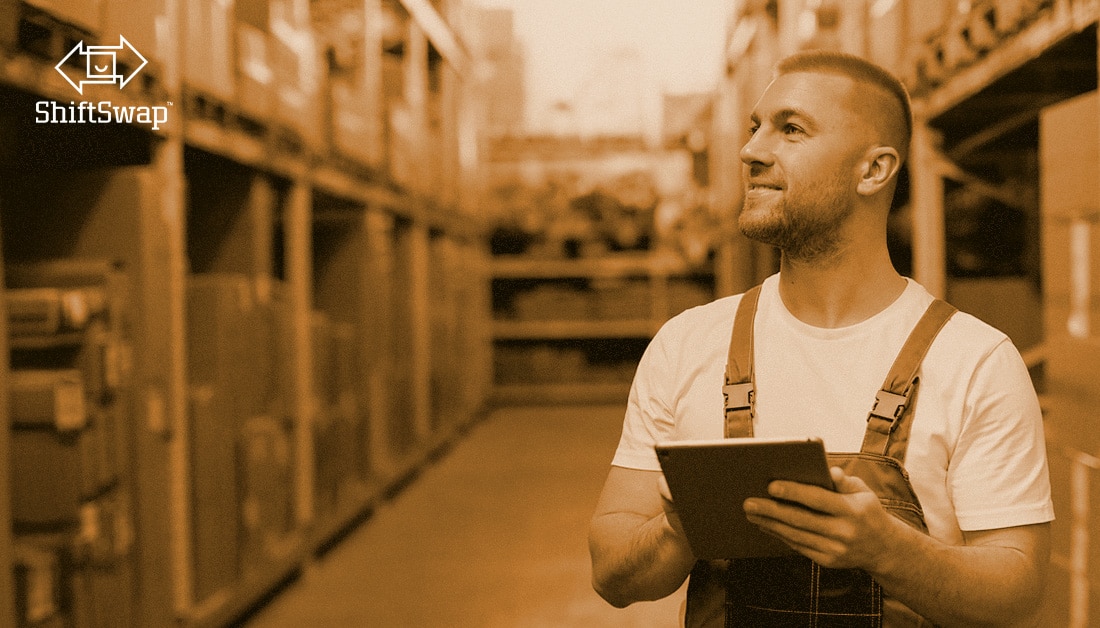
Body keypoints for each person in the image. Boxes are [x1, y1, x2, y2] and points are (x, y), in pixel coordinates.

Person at [588, 50, 1053, 627]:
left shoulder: (976, 361)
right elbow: (611, 572)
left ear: (873, 171)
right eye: (756, 127)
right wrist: (678, 530)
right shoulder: (687, 344)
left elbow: (1018, 594)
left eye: (791, 129)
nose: (751, 150)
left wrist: (887, 549)